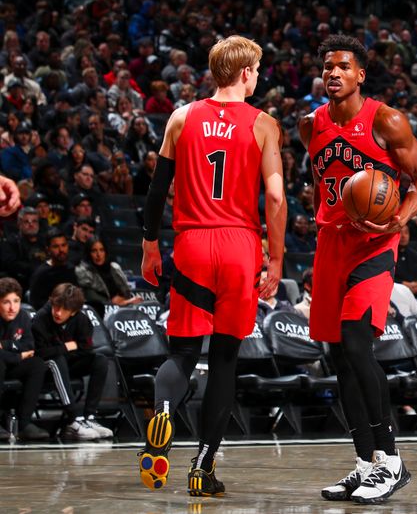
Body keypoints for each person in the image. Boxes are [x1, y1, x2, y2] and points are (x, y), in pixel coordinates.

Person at [137, 35, 286, 496]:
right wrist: (275, 258)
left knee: (182, 353)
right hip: (239, 246)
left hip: (192, 244)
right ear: (246, 73)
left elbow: (157, 190)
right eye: (257, 70)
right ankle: (202, 468)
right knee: (224, 361)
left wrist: (149, 246)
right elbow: (277, 197)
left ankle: (162, 411)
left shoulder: (181, 117)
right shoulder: (263, 124)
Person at [298, 34, 417, 504]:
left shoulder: (386, 120)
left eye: (343, 66)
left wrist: (402, 216)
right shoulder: (309, 124)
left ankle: (391, 462)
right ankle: (363, 464)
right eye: (327, 66)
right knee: (339, 359)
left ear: (360, 74)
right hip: (330, 244)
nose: (333, 73)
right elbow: (320, 183)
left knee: (357, 346)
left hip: (375, 243)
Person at [31, 283, 113, 440]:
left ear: (74, 312)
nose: (58, 312)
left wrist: (60, 348)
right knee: (57, 360)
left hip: (69, 363)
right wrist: (68, 347)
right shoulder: (41, 318)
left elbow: (86, 349)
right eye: (56, 307)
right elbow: (40, 352)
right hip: (45, 369)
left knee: (100, 361)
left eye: (64, 310)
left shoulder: (82, 320)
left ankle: (89, 417)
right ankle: (73, 420)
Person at [0, 277, 50, 441]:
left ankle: (24, 423)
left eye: (16, 301)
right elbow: (22, 350)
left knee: (37, 364)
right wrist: (18, 354)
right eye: (6, 302)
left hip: (11, 364)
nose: (12, 307)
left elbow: (29, 346)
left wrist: (6, 346)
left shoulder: (24, 317)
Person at [75, 237, 142, 315]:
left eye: (101, 250)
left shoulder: (114, 267)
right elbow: (90, 297)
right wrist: (117, 303)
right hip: (99, 313)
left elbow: (126, 292)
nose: (98, 254)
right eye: (94, 251)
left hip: (123, 309)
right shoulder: (82, 271)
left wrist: (128, 301)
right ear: (88, 253)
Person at [28, 229, 79, 310]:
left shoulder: (71, 269)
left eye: (63, 245)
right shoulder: (41, 274)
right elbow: (36, 303)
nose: (61, 250)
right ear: (48, 249)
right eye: (56, 246)